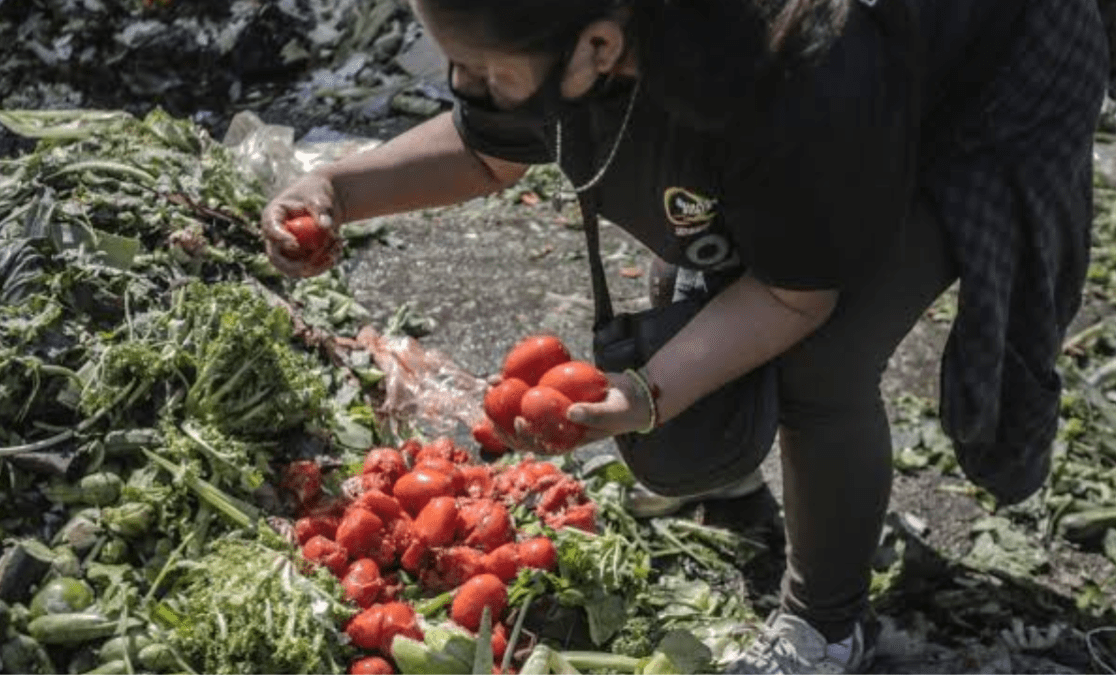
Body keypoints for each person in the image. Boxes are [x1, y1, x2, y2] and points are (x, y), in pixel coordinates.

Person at [261, 0, 1108, 670]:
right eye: (456, 62)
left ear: (597, 48)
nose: (466, 83)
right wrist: (337, 187)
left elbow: (791, 296)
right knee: (697, 341)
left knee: (823, 360)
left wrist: (648, 391)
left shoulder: (795, 73)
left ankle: (826, 628)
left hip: (986, 69)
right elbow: (490, 151)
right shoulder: (588, 34)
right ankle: (730, 490)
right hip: (821, 112)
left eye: (486, 69)